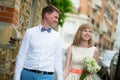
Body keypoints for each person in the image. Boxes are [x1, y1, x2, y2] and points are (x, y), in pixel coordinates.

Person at [14, 5, 62, 80]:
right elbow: (21, 56)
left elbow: (58, 59)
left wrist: (60, 78)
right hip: (27, 75)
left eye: (57, 18)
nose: (57, 20)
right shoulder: (30, 32)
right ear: (46, 15)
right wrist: (16, 77)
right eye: (55, 17)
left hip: (46, 76)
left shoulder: (57, 37)